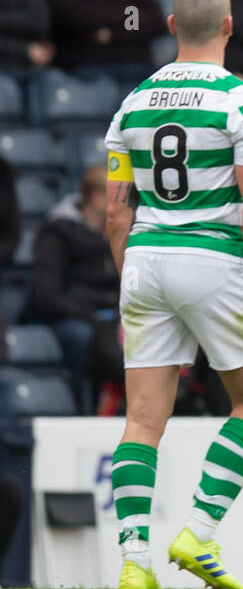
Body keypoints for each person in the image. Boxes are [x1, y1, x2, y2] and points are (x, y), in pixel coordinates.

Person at [104, 0, 243, 589]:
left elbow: (116, 211)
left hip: (143, 258)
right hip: (211, 258)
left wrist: (132, 283)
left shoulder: (132, 102)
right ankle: (198, 530)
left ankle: (135, 563)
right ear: (228, 28)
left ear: (170, 27)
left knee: (142, 421)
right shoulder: (241, 101)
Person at [30, 164, 120, 415]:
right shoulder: (57, 232)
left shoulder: (118, 231)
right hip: (73, 317)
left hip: (113, 315)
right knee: (83, 338)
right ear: (97, 197)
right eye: (116, 194)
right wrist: (91, 315)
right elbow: (46, 295)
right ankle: (85, 414)